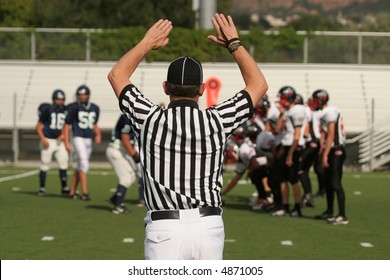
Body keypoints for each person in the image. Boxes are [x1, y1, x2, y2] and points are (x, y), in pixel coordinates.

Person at [107, 14, 268, 260]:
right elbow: (258, 85)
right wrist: (234, 44)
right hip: (208, 225)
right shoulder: (216, 120)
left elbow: (117, 75)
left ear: (165, 87)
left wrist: (147, 43)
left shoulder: (150, 119)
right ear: (202, 89)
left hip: (164, 227)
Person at [312, 89, 348, 225]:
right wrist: (322, 149)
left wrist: (325, 155)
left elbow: (331, 135)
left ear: (321, 100)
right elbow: (324, 133)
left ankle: (343, 215)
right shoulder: (324, 113)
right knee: (328, 184)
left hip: (336, 150)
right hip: (331, 150)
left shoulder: (330, 111)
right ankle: (330, 211)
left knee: (335, 183)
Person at [63, 85, 101, 201]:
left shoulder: (95, 108)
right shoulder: (73, 107)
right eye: (80, 95)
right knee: (84, 163)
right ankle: (85, 192)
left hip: (88, 138)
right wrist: (66, 142)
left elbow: (94, 123)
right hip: (78, 137)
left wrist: (98, 134)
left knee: (80, 166)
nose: (82, 97)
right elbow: (67, 125)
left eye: (84, 94)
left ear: (88, 95)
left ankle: (72, 191)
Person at [273, 86, 306, 217]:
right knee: (282, 178)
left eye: (282, 98)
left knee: (293, 179)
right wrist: (281, 113)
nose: (280, 100)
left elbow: (297, 135)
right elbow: (277, 129)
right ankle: (285, 206)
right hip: (286, 145)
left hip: (293, 147)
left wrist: (290, 154)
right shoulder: (287, 111)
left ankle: (297, 207)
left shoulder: (296, 110)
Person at [36, 89, 69, 196]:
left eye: (62, 99)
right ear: (54, 99)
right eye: (58, 99)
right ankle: (42, 188)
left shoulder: (65, 110)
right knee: (45, 164)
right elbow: (38, 126)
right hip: (48, 140)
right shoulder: (48, 109)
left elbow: (66, 126)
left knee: (63, 163)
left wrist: (63, 136)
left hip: (60, 141)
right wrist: (43, 139)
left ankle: (64, 187)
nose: (60, 101)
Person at [106, 114, 140, 214]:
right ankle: (118, 206)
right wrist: (134, 155)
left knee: (131, 177)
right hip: (116, 150)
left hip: (120, 151)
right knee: (126, 178)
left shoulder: (131, 117)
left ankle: (115, 198)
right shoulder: (127, 117)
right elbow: (125, 138)